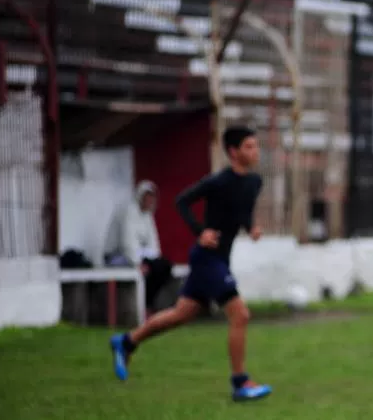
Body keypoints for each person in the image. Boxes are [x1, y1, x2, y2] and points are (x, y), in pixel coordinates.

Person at [109, 125, 273, 402]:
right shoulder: (218, 181)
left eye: (256, 146)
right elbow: (182, 201)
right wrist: (201, 231)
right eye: (248, 146)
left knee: (181, 314)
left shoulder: (254, 183)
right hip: (207, 258)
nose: (255, 151)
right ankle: (240, 383)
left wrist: (251, 227)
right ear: (233, 152)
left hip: (220, 259)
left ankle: (127, 341)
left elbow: (241, 212)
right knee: (240, 314)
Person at [103, 180, 175, 313]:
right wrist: (137, 263)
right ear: (140, 197)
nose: (150, 201)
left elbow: (153, 241)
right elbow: (127, 242)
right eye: (147, 197)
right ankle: (144, 307)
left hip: (139, 255)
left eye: (152, 198)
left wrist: (155, 259)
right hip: (117, 256)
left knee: (164, 267)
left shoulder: (147, 215)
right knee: (148, 270)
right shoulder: (129, 212)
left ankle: (148, 304)